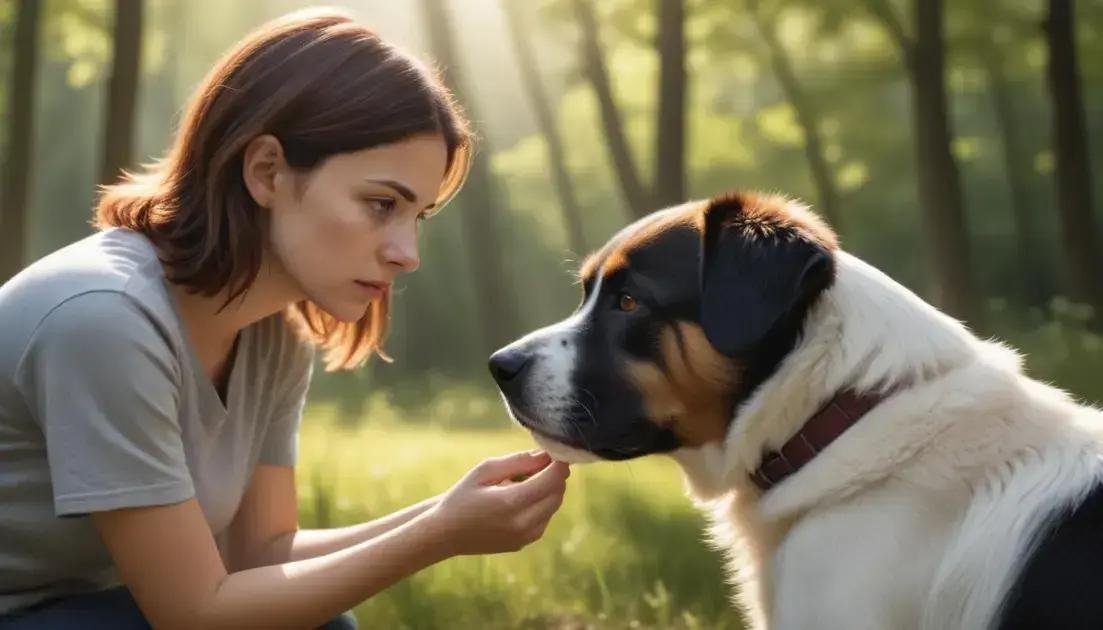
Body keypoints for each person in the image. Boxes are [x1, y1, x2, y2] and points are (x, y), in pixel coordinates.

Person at [0, 8, 569, 629]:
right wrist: (438, 534)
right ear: (266, 170)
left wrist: (448, 512)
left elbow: (260, 554)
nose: (407, 253)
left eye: (417, 216)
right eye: (381, 204)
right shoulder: (104, 322)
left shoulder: (270, 327)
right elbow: (193, 614)